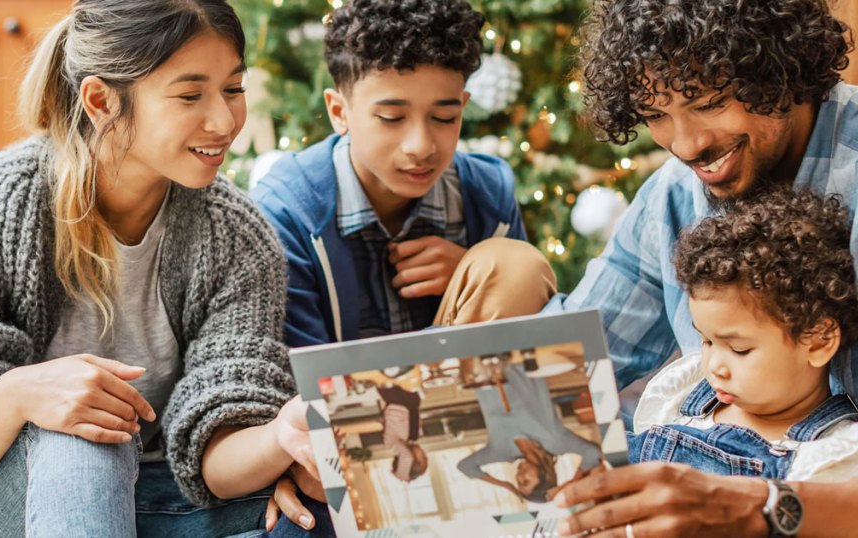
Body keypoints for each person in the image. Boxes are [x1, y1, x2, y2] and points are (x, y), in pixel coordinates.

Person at [547, 0, 858, 536]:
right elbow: (565, 379)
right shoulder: (676, 194)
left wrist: (758, 507)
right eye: (656, 115)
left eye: (709, 101)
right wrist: (517, 271)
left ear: (778, 66)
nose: (686, 145)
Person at [0, 1, 326, 536]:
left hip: (157, 490)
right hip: (16, 492)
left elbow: (217, 448)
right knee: (88, 441)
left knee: (290, 513)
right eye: (190, 94)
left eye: (234, 89)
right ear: (102, 100)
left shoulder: (237, 237)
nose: (223, 121)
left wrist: (281, 437)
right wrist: (19, 394)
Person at [252, 0, 556, 527]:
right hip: (348, 439)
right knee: (309, 474)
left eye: (445, 117)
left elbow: (535, 355)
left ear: (464, 104)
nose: (422, 145)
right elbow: (298, 395)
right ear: (338, 110)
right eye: (391, 117)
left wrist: (470, 271)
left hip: (474, 428)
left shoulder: (486, 194)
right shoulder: (286, 212)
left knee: (512, 264)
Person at [629, 189, 858, 482]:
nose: (714, 367)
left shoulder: (833, 455)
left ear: (818, 340)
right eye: (707, 341)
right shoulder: (680, 396)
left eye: (739, 349)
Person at [457, 363, 603, 503]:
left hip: (480, 372)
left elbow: (465, 466)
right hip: (517, 359)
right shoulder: (557, 442)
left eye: (517, 482)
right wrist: (568, 485)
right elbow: (593, 452)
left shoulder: (500, 452)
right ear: (546, 478)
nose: (518, 476)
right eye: (525, 481)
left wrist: (505, 485)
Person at [377, 385, 429, 482]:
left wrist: (403, 475)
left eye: (423, 458)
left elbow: (406, 457)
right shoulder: (412, 438)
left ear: (413, 461)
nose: (425, 454)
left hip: (395, 398)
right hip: (407, 400)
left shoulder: (392, 444)